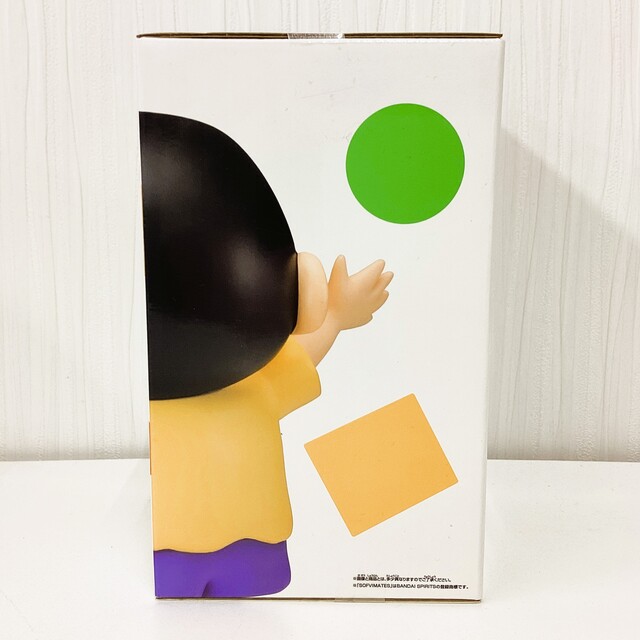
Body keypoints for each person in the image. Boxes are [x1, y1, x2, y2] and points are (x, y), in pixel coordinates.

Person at [140, 112, 392, 598]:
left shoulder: (253, 385)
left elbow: (301, 355)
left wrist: (337, 316)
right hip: (169, 550)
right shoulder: (172, 401)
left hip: (256, 544)